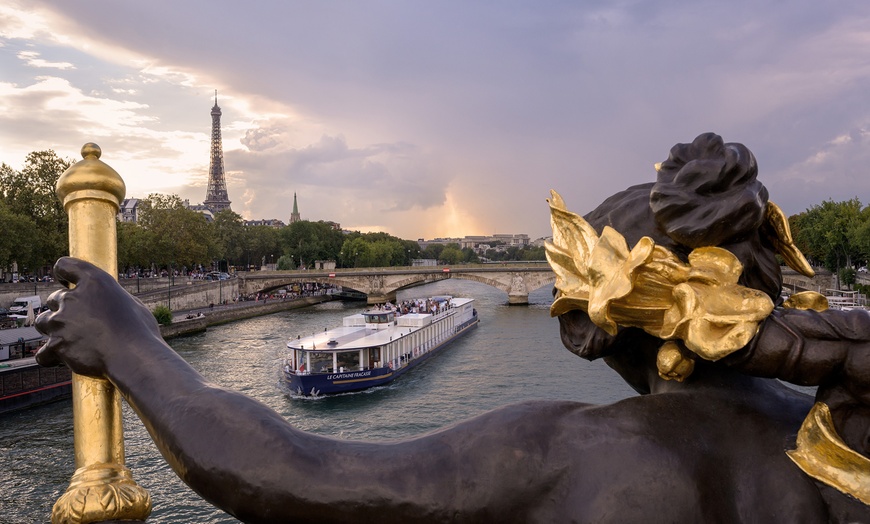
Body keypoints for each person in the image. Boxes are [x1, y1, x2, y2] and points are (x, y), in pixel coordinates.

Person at [36, 133, 869, 523]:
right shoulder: (838, 432)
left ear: (608, 318)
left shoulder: (574, 451)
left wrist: (132, 345)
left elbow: (285, 472)